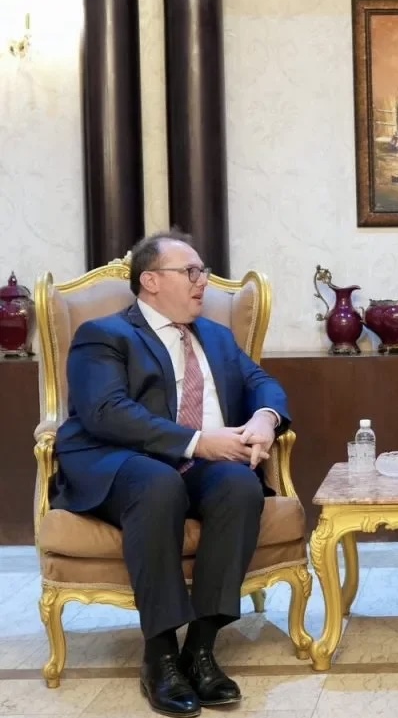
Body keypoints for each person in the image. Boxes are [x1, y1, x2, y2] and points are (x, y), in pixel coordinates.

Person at [52, 230, 291, 717]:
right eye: (192, 271)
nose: (203, 281)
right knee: (157, 483)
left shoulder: (215, 336)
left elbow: (262, 383)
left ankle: (200, 650)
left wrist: (266, 419)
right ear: (151, 280)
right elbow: (106, 412)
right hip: (118, 462)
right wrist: (200, 441)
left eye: (203, 271)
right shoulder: (105, 335)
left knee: (240, 485)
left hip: (200, 465)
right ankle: (160, 657)